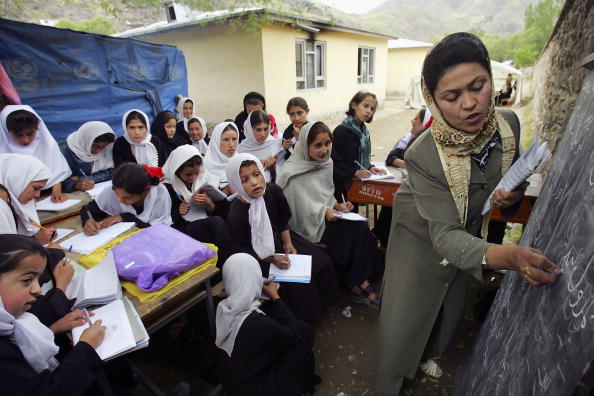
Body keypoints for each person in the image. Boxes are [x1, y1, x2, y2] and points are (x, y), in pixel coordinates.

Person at [375, 32, 561, 395]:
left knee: (451, 302)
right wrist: (507, 256)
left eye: (478, 86)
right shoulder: (423, 154)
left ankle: (431, 353)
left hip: (467, 234)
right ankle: (390, 381)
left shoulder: (507, 125)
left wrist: (511, 196)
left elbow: (504, 182)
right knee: (404, 314)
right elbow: (443, 236)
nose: (470, 104)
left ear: (492, 80)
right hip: (421, 237)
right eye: (452, 96)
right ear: (433, 100)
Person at [277, 121, 384, 308]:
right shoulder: (291, 172)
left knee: (359, 226)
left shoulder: (326, 164)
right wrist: (324, 212)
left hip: (328, 216)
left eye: (327, 144)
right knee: (347, 234)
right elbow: (296, 208)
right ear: (305, 145)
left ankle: (357, 281)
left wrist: (338, 205)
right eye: (318, 145)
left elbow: (325, 194)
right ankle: (361, 284)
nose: (324, 150)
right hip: (307, 224)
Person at [225, 153, 339, 321]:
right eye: (245, 180)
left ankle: (326, 302)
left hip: (281, 238)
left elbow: (282, 220)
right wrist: (272, 258)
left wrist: (288, 244)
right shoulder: (237, 213)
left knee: (321, 261)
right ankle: (307, 320)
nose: (254, 182)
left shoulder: (272, 191)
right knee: (298, 284)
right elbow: (244, 251)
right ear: (237, 184)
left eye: (257, 174)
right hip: (258, 257)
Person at [0, 234, 106, 395]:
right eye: (27, 280)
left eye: (37, 279)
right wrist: (87, 347)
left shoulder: (10, 320)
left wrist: (53, 329)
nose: (38, 290)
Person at [215, 253, 319, 396]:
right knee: (305, 332)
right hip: (256, 389)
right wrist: (275, 296)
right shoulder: (259, 324)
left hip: (233, 384)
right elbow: (295, 334)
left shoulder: (224, 308)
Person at [162, 145, 236, 266]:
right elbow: (163, 217)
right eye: (188, 174)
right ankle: (228, 265)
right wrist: (179, 212)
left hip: (207, 223)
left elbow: (221, 208)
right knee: (216, 223)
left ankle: (227, 264)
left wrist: (209, 203)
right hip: (184, 230)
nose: (193, 178)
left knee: (223, 221)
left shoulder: (205, 179)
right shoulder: (167, 186)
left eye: (196, 173)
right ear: (176, 171)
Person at [372, 108, 429, 246]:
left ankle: (382, 236)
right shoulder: (410, 140)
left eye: (416, 119)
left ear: (424, 124)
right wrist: (406, 164)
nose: (412, 121)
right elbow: (391, 156)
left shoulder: (427, 145)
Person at [0, 105, 71, 203]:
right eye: (18, 135)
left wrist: (57, 189)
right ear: (7, 132)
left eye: (30, 134)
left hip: (48, 197)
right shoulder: (3, 153)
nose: (25, 139)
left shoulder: (46, 142)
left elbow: (56, 166)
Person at [81, 163, 172, 234]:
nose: (119, 200)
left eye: (127, 198)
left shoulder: (159, 195)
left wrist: (125, 217)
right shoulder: (114, 189)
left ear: (146, 190)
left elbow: (159, 230)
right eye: (117, 195)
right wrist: (87, 221)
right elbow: (87, 209)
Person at [331, 91, 387, 202]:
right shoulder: (340, 131)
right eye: (365, 106)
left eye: (372, 109)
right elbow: (332, 163)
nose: (368, 111)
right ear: (354, 105)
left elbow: (357, 158)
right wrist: (355, 172)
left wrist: (369, 167)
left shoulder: (363, 131)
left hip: (357, 185)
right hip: (341, 188)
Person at [0, 153, 58, 244]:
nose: (38, 195)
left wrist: (36, 236)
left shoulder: (17, 199)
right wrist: (35, 240)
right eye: (35, 188)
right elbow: (6, 249)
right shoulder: (1, 207)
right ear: (16, 181)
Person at [59, 121, 116, 193]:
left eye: (103, 147)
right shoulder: (62, 152)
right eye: (96, 146)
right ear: (86, 140)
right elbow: (54, 182)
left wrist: (80, 178)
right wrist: (74, 185)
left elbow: (112, 172)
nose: (98, 151)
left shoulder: (106, 150)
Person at [237, 110, 284, 183]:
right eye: (258, 130)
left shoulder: (277, 145)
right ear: (250, 129)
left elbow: (284, 172)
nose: (263, 134)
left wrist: (273, 166)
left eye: (266, 129)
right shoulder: (241, 149)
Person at [203, 121, 239, 195]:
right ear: (216, 141)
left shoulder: (242, 162)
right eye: (226, 140)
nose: (231, 144)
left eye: (234, 139)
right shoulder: (204, 167)